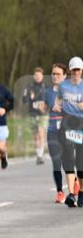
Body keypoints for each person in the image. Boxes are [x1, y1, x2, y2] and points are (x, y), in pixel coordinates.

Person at [57, 57, 83, 208]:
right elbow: (59, 100)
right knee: (67, 155)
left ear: (81, 71)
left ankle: (81, 193)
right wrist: (56, 105)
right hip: (67, 122)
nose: (75, 72)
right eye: (73, 70)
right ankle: (72, 193)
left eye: (78, 70)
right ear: (70, 70)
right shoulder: (63, 86)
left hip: (81, 122)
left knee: (80, 160)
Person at [41, 64, 67, 203]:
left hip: (67, 130)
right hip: (52, 130)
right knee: (56, 162)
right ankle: (60, 192)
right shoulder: (47, 92)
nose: (55, 76)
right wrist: (44, 107)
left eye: (58, 74)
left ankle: (75, 182)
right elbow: (45, 109)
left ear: (64, 76)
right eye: (53, 73)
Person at [24, 67, 49, 165]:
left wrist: (45, 106)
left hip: (43, 115)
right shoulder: (29, 87)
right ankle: (39, 154)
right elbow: (24, 100)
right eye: (36, 75)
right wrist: (30, 98)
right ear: (34, 76)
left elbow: (50, 101)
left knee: (41, 133)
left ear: (42, 76)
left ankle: (40, 156)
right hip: (32, 114)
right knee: (36, 136)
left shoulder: (46, 87)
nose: (38, 77)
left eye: (39, 75)